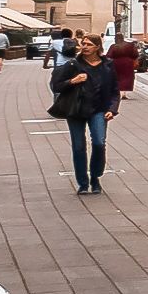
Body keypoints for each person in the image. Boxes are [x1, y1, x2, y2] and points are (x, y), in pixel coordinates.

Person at [52, 33, 109, 196]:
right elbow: (56, 86)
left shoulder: (107, 65)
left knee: (99, 143)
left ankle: (96, 177)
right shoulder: (72, 65)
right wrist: (72, 81)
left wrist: (112, 108)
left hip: (98, 109)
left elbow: (113, 90)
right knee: (78, 147)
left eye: (88, 44)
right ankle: (83, 182)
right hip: (75, 110)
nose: (84, 46)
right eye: (83, 43)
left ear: (97, 47)